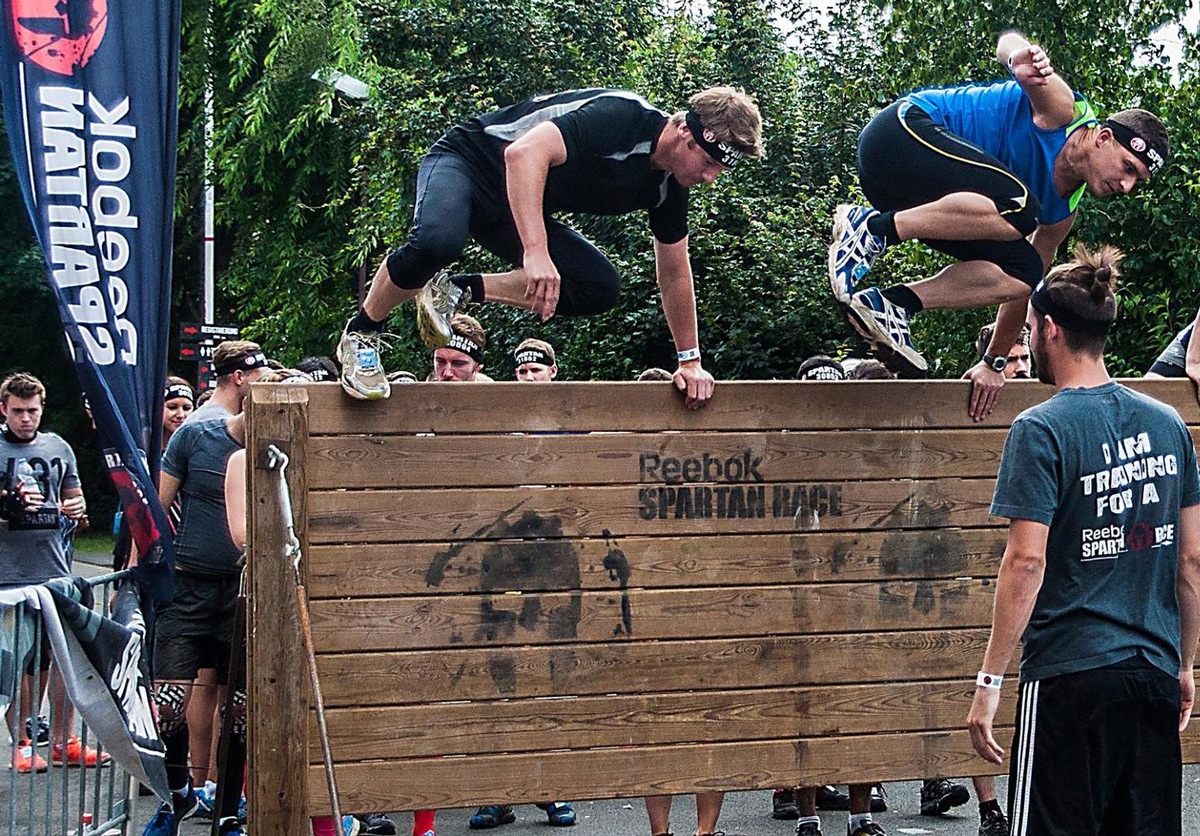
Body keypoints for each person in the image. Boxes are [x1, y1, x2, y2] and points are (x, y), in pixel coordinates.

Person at [336, 87, 764, 409]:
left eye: (719, 170)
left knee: (599, 287)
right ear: (685, 132)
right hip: (472, 162)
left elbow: (674, 273)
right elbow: (523, 154)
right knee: (437, 242)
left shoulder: (669, 189)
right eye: (708, 164)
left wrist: (689, 360)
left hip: (517, 205)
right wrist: (535, 251)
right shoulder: (621, 117)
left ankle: (460, 289)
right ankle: (362, 333)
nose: (710, 178)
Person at [967, 245, 1200, 835]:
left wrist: (989, 682)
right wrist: (1184, 663)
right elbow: (1192, 560)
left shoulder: (1040, 427)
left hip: (1070, 676)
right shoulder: (1168, 424)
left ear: (1047, 329)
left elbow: (1025, 562)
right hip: (1151, 671)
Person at [829, 30, 1167, 421]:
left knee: (1024, 270)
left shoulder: (1062, 213)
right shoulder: (1062, 110)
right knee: (1022, 208)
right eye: (1127, 168)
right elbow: (1007, 41)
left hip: (914, 195)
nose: (1125, 186)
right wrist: (1018, 58)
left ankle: (892, 304)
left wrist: (993, 362)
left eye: (1136, 181)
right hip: (900, 137)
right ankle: (871, 229)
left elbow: (1025, 287)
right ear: (1103, 138)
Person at [140, 352, 271, 836]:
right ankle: (176, 798)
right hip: (187, 588)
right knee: (169, 704)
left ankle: (229, 809)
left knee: (238, 711)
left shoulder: (275, 445)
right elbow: (155, 510)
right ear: (248, 397)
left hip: (241, 595)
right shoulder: (197, 435)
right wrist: (137, 581)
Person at [0, 373, 107, 772]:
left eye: (32, 411)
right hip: (9, 575)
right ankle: (23, 741)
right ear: (3, 410)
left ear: (42, 409)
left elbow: (74, 499)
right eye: (17, 411)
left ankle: (64, 739)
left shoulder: (58, 447)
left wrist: (77, 511)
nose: (25, 419)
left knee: (61, 657)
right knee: (19, 662)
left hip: (54, 569)